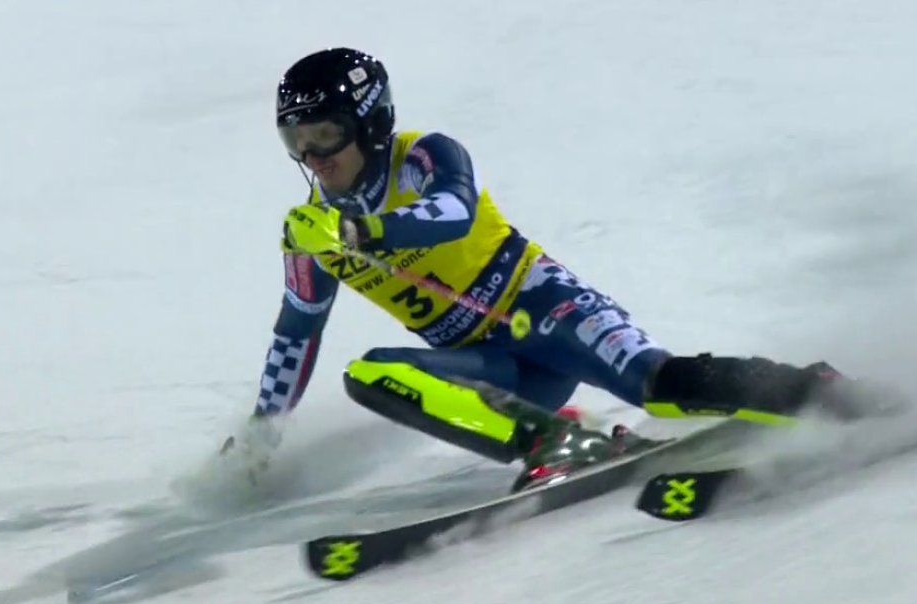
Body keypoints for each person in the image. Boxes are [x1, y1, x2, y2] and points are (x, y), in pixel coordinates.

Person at [221, 46, 852, 492]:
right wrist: (262, 432)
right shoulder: (311, 231)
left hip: (548, 312)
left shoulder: (424, 156)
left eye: (325, 135)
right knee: (372, 373)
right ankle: (551, 440)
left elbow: (455, 212)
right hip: (496, 370)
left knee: (658, 386)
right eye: (295, 141)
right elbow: (296, 336)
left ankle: (812, 389)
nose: (313, 157)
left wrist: (365, 232)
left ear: (371, 122)